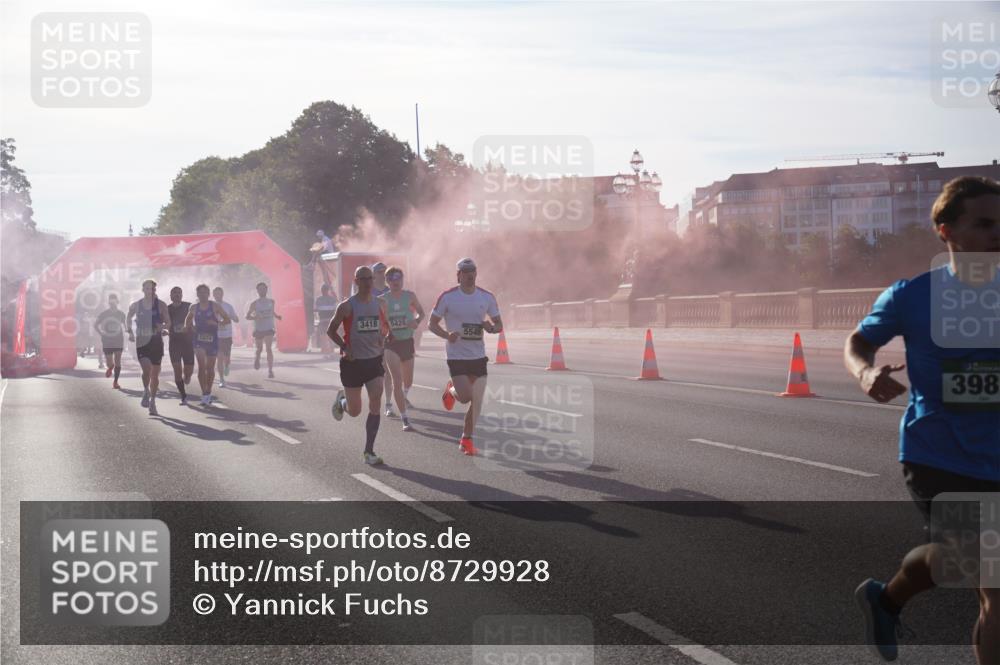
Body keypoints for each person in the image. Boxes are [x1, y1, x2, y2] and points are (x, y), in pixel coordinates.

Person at [845, 176, 1000, 664]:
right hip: (940, 456)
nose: (998, 233)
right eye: (984, 224)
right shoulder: (911, 296)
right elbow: (858, 343)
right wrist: (867, 373)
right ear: (945, 231)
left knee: (963, 566)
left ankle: (885, 597)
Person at [429, 258, 502, 456]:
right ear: (458, 275)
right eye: (465, 271)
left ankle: (466, 439)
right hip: (457, 356)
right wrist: (447, 335)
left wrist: (491, 327)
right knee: (465, 397)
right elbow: (432, 324)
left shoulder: (486, 297)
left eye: (473, 271)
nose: (470, 275)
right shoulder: (448, 297)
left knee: (477, 401)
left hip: (478, 356)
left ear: (476, 274)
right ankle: (451, 390)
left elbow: (499, 324)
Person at [327, 265, 390, 465]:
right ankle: (342, 402)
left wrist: (384, 336)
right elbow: (331, 331)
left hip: (373, 361)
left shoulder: (380, 303)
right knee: (354, 411)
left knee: (376, 397)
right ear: (356, 281)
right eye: (363, 279)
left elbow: (386, 327)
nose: (368, 282)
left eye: (370, 278)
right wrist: (345, 347)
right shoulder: (346, 306)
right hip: (352, 364)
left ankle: (369, 451)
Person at [379, 266, 424, 431]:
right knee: (395, 380)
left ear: (402, 279)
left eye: (397, 278)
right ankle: (404, 418)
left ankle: (402, 398)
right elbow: (376, 319)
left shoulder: (410, 296)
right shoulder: (382, 300)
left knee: (408, 381)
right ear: (387, 282)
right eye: (390, 279)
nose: (395, 281)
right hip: (391, 343)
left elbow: (421, 313)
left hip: (407, 342)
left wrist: (416, 322)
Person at [126, 279, 171, 416]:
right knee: (146, 369)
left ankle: (152, 401)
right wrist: (130, 331)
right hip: (142, 342)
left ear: (154, 290)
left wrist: (162, 327)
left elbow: (168, 322)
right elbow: (128, 318)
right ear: (143, 289)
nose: (149, 291)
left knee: (155, 374)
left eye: (151, 289)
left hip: (156, 342)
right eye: (146, 288)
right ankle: (146, 390)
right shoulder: (136, 305)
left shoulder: (161, 305)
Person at [185, 284, 231, 405]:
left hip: (212, 340)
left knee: (209, 368)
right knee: (201, 366)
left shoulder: (215, 306)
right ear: (197, 294)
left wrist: (217, 323)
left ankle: (209, 391)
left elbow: (227, 320)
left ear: (208, 294)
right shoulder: (193, 307)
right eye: (200, 292)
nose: (203, 295)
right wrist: (189, 327)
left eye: (205, 292)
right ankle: (204, 393)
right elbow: (188, 319)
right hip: (198, 340)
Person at [246, 281, 282, 378]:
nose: (262, 290)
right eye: (260, 289)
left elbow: (272, 312)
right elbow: (247, 316)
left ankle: (270, 370)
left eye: (264, 288)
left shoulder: (271, 301)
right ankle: (257, 358)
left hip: (269, 328)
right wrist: (255, 317)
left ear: (267, 289)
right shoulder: (254, 304)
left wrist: (277, 316)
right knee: (259, 349)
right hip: (259, 329)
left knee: (269, 348)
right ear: (257, 291)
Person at [166, 287, 194, 405]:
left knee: (188, 372)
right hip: (174, 343)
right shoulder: (167, 309)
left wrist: (194, 328)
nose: (177, 295)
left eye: (179, 293)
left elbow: (198, 318)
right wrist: (165, 330)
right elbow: (164, 323)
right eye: (174, 293)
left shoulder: (189, 306)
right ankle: (183, 396)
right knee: (177, 370)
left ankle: (187, 376)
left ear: (182, 295)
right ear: (171, 296)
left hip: (188, 343)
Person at [94, 293, 126, 389]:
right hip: (107, 340)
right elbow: (95, 325)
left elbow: (125, 326)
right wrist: (101, 333)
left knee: (118, 360)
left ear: (117, 301)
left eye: (114, 299)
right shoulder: (104, 314)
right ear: (108, 302)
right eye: (110, 300)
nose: (112, 301)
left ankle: (115, 382)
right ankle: (110, 367)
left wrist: (130, 333)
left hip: (118, 339)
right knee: (109, 362)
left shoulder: (121, 314)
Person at [213, 286, 239, 387]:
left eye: (219, 293)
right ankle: (221, 379)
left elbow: (235, 318)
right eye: (216, 294)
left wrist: (235, 318)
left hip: (227, 336)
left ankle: (227, 366)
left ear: (222, 294)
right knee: (219, 357)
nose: (217, 295)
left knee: (226, 359)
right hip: (216, 336)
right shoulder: (211, 306)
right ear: (213, 295)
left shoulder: (228, 306)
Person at [314, 283, 339, 356]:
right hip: (330, 321)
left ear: (322, 291)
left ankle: (325, 351)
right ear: (327, 290)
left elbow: (315, 309)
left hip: (322, 320)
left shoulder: (318, 300)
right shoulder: (332, 299)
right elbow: (336, 309)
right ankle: (331, 351)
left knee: (323, 336)